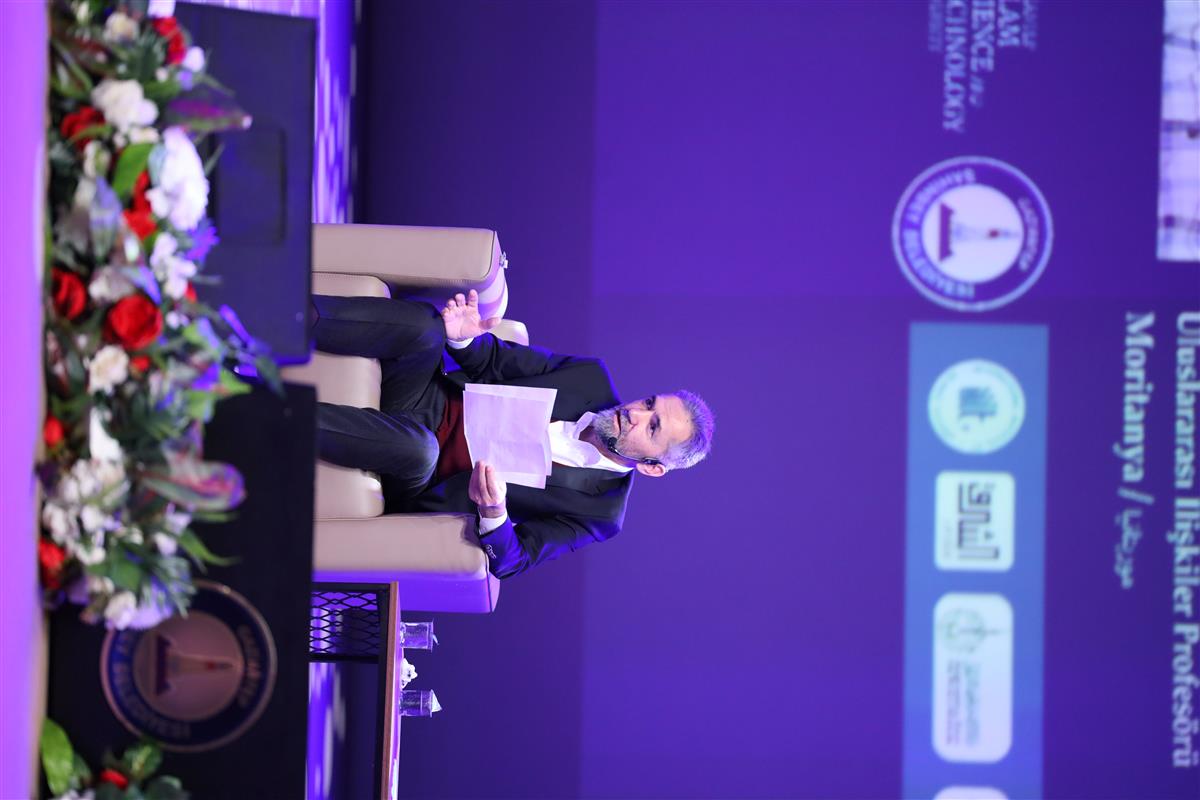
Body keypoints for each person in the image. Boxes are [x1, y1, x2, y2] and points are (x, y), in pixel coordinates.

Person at [311, 289, 714, 578]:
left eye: (653, 426)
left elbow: (513, 560)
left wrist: (493, 512)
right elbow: (494, 360)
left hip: (423, 472)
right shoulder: (591, 378)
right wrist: (464, 338)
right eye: (649, 403)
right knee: (424, 325)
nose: (636, 413)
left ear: (652, 467)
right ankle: (285, 315)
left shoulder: (601, 512)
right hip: (429, 395)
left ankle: (280, 413)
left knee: (420, 448)